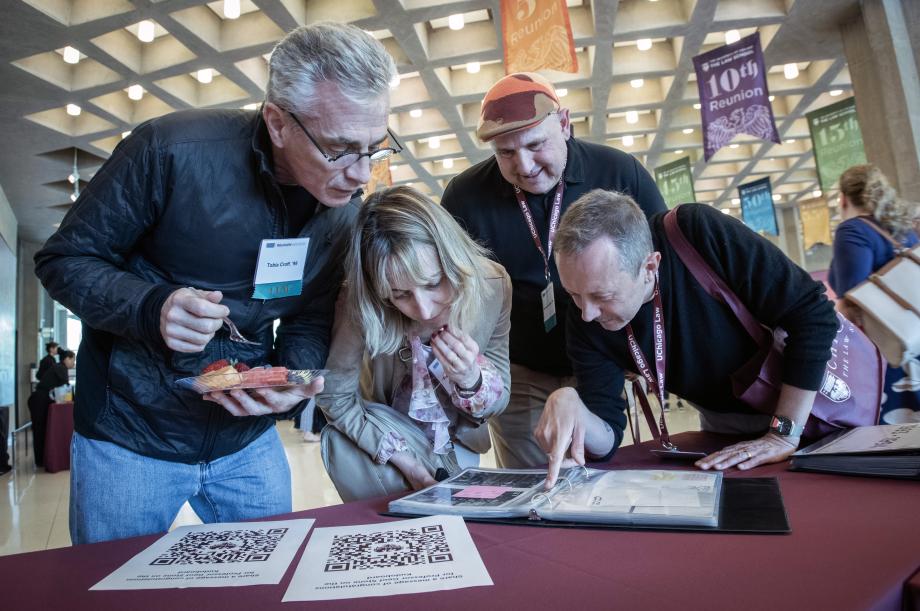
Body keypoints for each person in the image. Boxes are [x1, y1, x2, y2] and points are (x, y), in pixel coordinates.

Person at [33, 22, 398, 543]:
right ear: (277, 122)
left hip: (245, 441)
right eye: (339, 148)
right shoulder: (170, 151)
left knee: (269, 582)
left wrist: (291, 379)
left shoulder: (342, 207)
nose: (361, 173)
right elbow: (65, 259)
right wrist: (151, 307)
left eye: (375, 146)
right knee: (109, 589)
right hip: (131, 435)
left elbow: (310, 312)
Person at [536, 189, 839, 487]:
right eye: (574, 294)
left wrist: (783, 433)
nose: (587, 313)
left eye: (602, 295)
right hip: (727, 427)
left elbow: (812, 314)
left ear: (650, 267)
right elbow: (607, 438)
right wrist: (574, 406)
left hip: (816, 403)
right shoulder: (583, 318)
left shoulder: (696, 233)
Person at [441, 72, 667, 468]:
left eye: (535, 144)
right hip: (520, 368)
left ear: (564, 123)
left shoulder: (619, 173)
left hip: (604, 362)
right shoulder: (464, 197)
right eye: (505, 154)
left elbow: (656, 271)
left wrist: (640, 346)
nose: (524, 166)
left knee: (600, 474)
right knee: (532, 486)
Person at [316, 186, 511, 501]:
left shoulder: (493, 284)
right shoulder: (360, 298)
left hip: (461, 443)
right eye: (400, 294)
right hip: (385, 449)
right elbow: (335, 396)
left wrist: (471, 380)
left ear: (454, 259)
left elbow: (500, 400)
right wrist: (404, 460)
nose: (424, 309)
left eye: (433, 283)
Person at [829, 164, 920, 423]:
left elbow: (851, 296)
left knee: (894, 431)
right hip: (913, 336)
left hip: (886, 348)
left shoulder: (853, 230)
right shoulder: (903, 229)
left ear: (843, 198)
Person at [28, 350, 75, 468]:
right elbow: (66, 387)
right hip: (39, 400)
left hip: (40, 399)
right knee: (39, 430)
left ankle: (43, 459)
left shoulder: (58, 367)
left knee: (42, 430)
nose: (74, 363)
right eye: (73, 359)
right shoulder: (61, 368)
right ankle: (40, 461)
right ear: (67, 359)